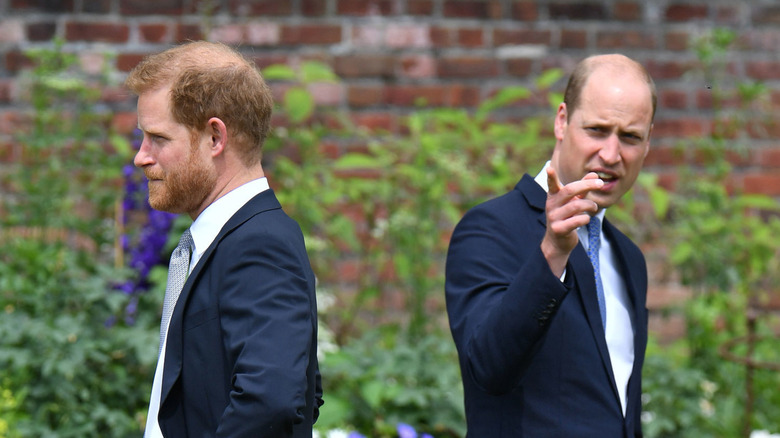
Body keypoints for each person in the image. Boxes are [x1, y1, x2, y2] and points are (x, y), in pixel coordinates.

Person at [445, 54, 655, 437]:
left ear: (647, 142)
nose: (611, 154)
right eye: (597, 130)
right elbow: (488, 370)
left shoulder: (629, 259)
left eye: (630, 137)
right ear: (562, 121)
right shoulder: (489, 230)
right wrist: (552, 253)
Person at [126, 41, 322, 437]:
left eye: (158, 138)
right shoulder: (228, 241)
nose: (141, 156)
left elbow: (272, 402)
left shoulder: (260, 245)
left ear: (215, 138)